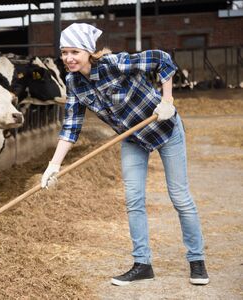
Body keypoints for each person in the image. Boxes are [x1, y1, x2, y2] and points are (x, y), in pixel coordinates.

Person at [40, 23, 209, 286]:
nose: (68, 58)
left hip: (165, 127)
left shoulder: (114, 64)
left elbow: (162, 60)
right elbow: (71, 126)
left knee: (179, 196)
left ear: (88, 51)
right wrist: (53, 165)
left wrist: (167, 101)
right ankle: (142, 264)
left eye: (74, 51)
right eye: (64, 52)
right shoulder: (73, 82)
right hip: (133, 137)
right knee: (133, 200)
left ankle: (197, 261)